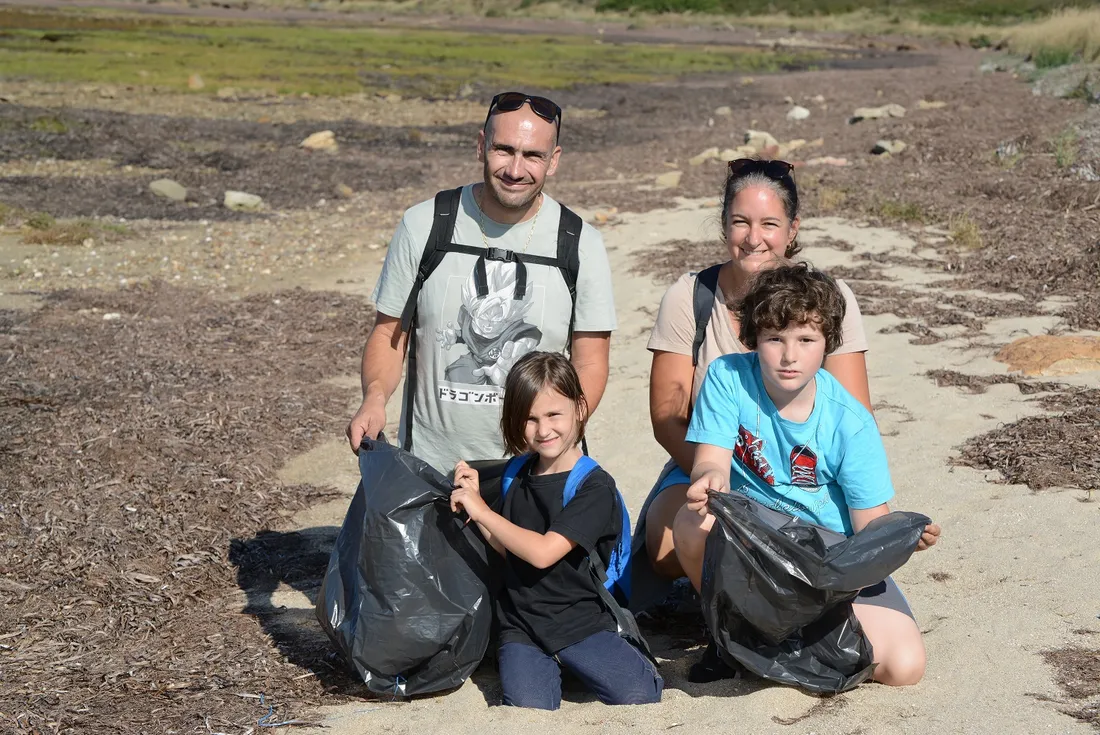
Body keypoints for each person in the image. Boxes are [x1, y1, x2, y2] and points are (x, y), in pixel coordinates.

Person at [672, 263, 941, 687]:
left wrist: (902, 540)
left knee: (905, 668)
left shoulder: (850, 421)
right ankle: (726, 635)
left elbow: (870, 526)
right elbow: (711, 460)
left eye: (806, 339)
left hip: (827, 558)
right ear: (754, 338)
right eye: (775, 338)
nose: (789, 355)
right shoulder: (727, 378)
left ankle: (788, 636)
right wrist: (708, 478)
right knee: (693, 520)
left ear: (827, 343)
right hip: (756, 545)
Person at [634, 158, 873, 610]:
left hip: (806, 469)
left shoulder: (830, 299)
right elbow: (667, 418)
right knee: (663, 543)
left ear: (793, 228)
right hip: (712, 455)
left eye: (769, 223)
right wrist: (735, 488)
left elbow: (856, 413)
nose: (754, 237)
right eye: (741, 222)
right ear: (724, 225)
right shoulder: (690, 296)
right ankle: (728, 610)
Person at [346, 92, 617, 473]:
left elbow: (590, 361)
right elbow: (390, 334)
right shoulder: (425, 225)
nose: (515, 168)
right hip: (430, 470)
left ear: (553, 161)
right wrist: (374, 399)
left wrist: (559, 438)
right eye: (503, 149)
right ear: (480, 146)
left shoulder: (579, 243)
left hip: (532, 472)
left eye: (533, 155)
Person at [449, 351, 663, 710]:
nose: (543, 429)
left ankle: (615, 657)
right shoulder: (514, 474)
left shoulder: (594, 487)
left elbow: (543, 552)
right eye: (530, 419)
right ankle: (558, 667)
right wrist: (471, 497)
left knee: (638, 695)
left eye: (553, 414)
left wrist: (482, 511)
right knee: (529, 706)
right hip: (522, 625)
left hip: (580, 621)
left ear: (579, 408)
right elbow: (508, 548)